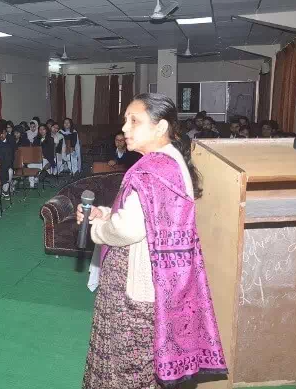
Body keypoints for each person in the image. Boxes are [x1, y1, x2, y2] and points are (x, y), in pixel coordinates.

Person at [77, 93, 227, 389]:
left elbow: (129, 229)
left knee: (128, 367)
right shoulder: (166, 163)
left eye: (134, 121)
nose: (125, 128)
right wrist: (105, 213)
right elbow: (146, 217)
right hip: (153, 281)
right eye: (125, 121)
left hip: (138, 285)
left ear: (160, 127)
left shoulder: (155, 169)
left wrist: (96, 227)